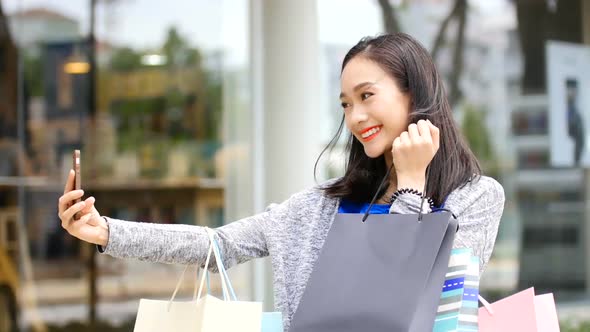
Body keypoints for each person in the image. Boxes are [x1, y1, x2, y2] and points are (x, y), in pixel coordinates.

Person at [58, 33, 505, 330]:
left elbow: (410, 299)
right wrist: (109, 231)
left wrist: (410, 185)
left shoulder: (476, 198)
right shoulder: (320, 206)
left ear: (416, 93)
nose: (356, 117)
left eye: (367, 96)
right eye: (346, 104)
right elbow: (220, 245)